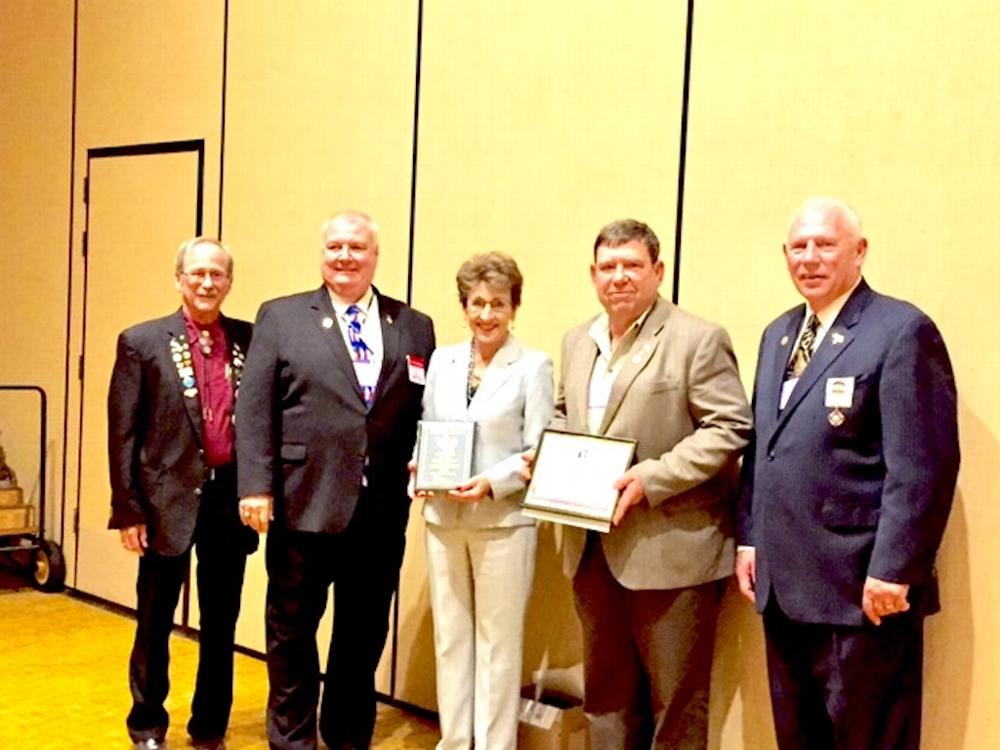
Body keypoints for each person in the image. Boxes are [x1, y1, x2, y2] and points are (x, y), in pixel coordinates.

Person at [736, 197, 960, 750]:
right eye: (798, 247)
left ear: (859, 252)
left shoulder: (901, 330)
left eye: (825, 244)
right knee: (799, 737)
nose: (809, 258)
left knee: (869, 739)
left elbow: (924, 465)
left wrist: (895, 569)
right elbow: (762, 449)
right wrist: (749, 538)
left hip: (862, 591)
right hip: (785, 587)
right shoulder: (778, 335)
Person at [540, 219, 752, 749]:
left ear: (658, 272)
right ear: (593, 274)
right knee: (606, 693)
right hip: (591, 548)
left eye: (632, 266)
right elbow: (566, 414)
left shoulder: (697, 339)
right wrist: (544, 458)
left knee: (675, 703)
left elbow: (730, 427)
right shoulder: (577, 340)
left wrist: (652, 478)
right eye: (608, 267)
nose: (619, 277)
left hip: (672, 552)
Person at [236, 211, 435, 750]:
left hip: (380, 512)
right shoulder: (280, 317)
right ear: (322, 252)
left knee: (363, 635)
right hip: (303, 503)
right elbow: (253, 410)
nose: (345, 256)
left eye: (357, 247)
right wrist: (254, 486)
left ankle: (347, 737)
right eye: (335, 246)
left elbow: (428, 414)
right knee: (292, 632)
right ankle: (293, 740)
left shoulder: (414, 325)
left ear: (375, 255)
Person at [108, 237, 258, 750]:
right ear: (178, 279)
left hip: (226, 502)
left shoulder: (250, 340)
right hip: (162, 502)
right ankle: (147, 722)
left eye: (217, 274)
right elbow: (123, 432)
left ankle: (210, 726)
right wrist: (127, 507)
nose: (207, 282)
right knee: (154, 621)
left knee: (221, 623)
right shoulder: (141, 341)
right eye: (196, 273)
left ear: (229, 282)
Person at [414, 252, 553, 750]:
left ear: (514, 307)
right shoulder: (442, 360)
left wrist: (493, 482)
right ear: (464, 305)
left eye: (498, 304)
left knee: (498, 646)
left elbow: (539, 449)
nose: (486, 315)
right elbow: (427, 428)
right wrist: (418, 464)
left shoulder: (534, 366)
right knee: (451, 640)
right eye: (476, 303)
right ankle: (453, 741)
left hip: (504, 522)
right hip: (443, 518)